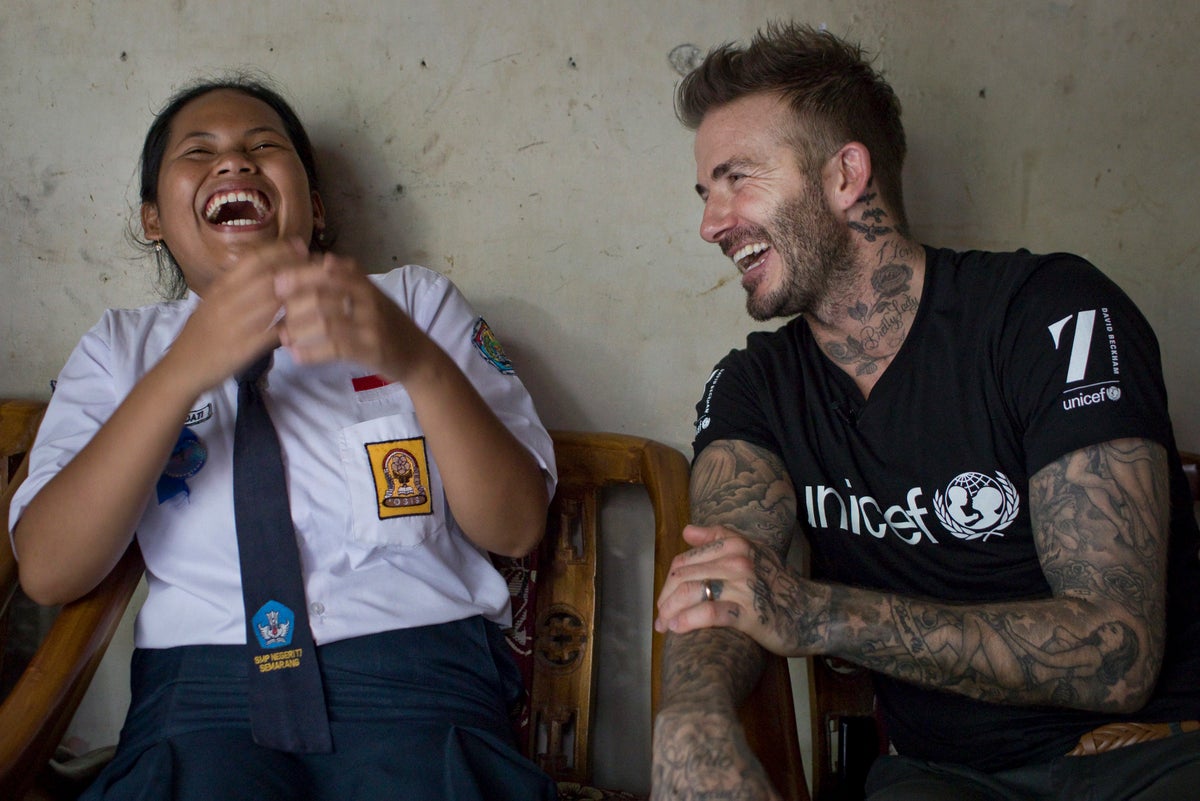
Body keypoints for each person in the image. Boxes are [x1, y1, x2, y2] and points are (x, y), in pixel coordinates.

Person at [651, 22, 1200, 801]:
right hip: (941, 778)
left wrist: (816, 613)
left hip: (1145, 757)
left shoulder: (1051, 317)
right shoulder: (755, 385)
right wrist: (692, 717)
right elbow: (720, 583)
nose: (711, 223)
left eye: (737, 178)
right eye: (706, 193)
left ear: (846, 175)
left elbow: (1119, 653)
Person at [8, 75, 559, 801]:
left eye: (263, 145)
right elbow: (49, 571)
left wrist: (416, 362)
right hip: (202, 699)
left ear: (316, 207)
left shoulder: (414, 305)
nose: (233, 161)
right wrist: (181, 373)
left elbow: (516, 525)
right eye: (198, 151)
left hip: (420, 684)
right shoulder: (119, 350)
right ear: (153, 219)